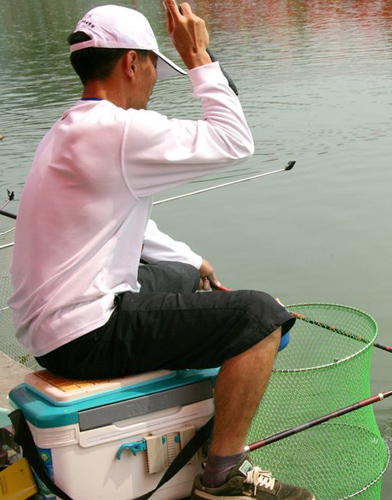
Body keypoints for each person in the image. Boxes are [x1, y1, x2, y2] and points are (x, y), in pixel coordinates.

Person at [8, 2, 314, 500]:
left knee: (179, 275)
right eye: (155, 66)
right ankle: (224, 475)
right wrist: (198, 59)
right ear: (132, 64)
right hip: (84, 335)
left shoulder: (72, 127)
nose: (155, 79)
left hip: (52, 324)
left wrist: (195, 263)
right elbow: (234, 140)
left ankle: (215, 340)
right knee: (261, 314)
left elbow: (126, 217)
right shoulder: (119, 131)